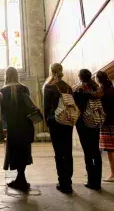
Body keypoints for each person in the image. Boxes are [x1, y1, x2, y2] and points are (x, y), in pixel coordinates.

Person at [0, 67, 34, 192]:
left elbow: (2, 112)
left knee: (14, 151)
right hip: (25, 125)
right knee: (24, 151)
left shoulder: (3, 90)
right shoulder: (24, 88)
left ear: (7, 76)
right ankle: (21, 178)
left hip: (12, 126)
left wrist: (3, 127)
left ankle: (20, 179)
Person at [43, 63, 74, 194]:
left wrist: (47, 122)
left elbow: (46, 108)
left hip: (55, 122)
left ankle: (63, 183)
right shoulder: (68, 87)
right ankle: (68, 182)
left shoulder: (49, 87)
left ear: (51, 71)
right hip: (67, 122)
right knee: (67, 151)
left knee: (59, 152)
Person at [74, 69, 102, 190]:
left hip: (83, 123)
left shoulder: (78, 89)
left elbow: (77, 108)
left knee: (88, 152)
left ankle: (91, 181)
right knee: (96, 150)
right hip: (96, 121)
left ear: (80, 77)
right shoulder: (97, 88)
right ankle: (98, 182)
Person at [96, 71, 114, 182]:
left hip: (107, 123)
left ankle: (113, 174)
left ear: (98, 79)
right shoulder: (112, 89)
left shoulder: (101, 92)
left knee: (110, 150)